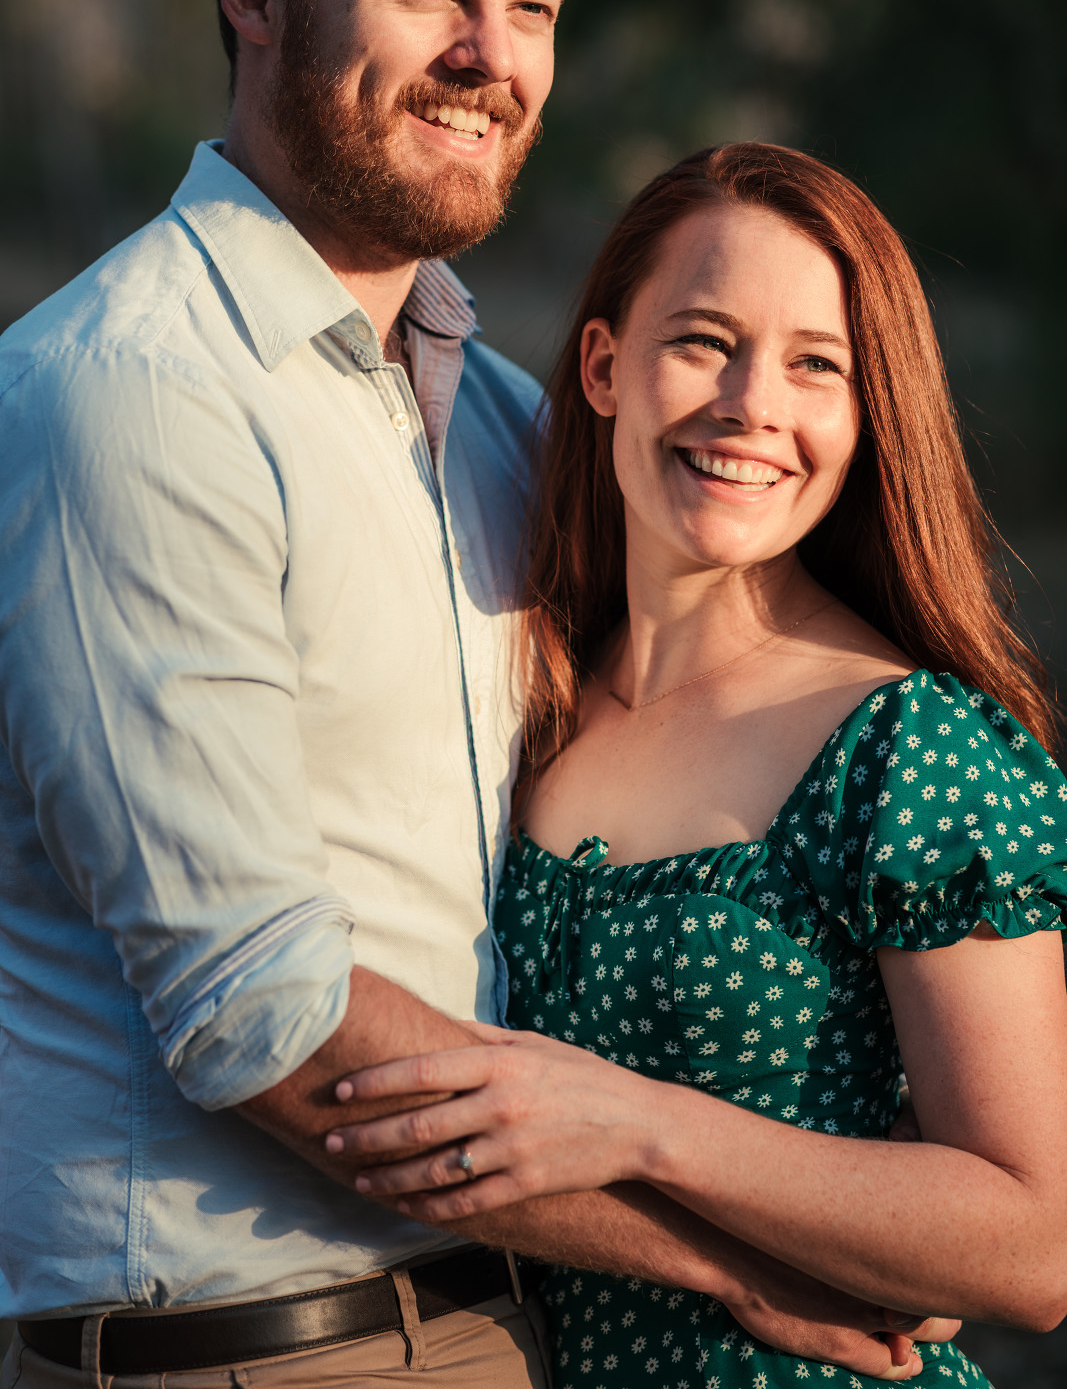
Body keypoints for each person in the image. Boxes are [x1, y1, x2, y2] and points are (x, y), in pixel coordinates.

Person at [0, 0, 954, 1386]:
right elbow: (264, 1015)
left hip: (517, 1322)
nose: (489, 58)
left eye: (532, 7)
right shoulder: (137, 395)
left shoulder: (509, 427)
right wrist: (732, 1261)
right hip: (254, 1350)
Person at [328, 142, 1067, 1389]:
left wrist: (642, 1123)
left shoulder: (906, 745)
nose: (749, 404)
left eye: (815, 364)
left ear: (864, 415)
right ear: (603, 366)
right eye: (704, 341)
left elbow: (1032, 1243)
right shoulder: (523, 691)